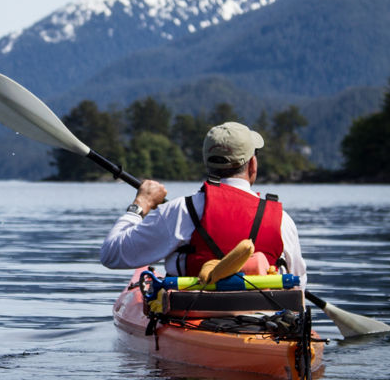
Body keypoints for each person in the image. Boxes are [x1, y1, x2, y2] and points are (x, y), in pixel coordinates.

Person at [99, 121, 307, 288]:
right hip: (266, 324)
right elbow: (299, 285)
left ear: (207, 163)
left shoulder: (180, 210)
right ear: (252, 164)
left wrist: (141, 204)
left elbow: (111, 254)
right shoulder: (281, 219)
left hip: (189, 319)